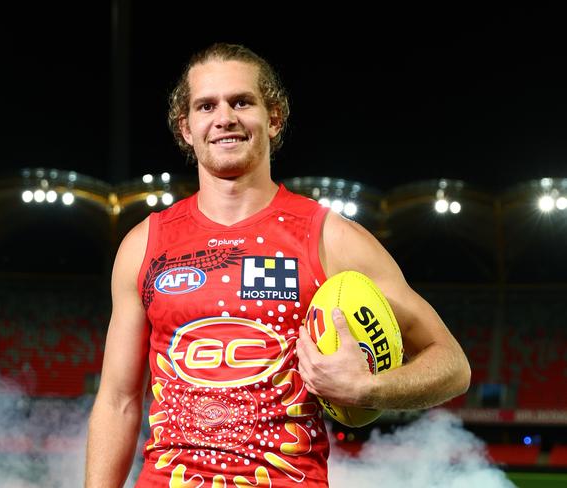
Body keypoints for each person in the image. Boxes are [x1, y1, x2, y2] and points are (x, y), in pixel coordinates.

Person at [85, 43, 471, 487]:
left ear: (274, 118)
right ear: (186, 128)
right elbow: (117, 401)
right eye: (206, 105)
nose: (224, 117)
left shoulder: (331, 238)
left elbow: (453, 364)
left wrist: (368, 390)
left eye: (242, 101)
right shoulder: (144, 244)